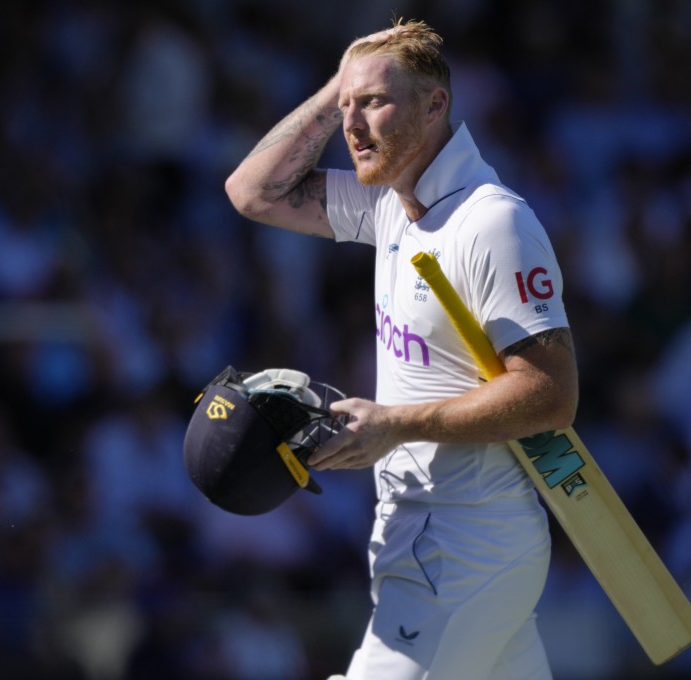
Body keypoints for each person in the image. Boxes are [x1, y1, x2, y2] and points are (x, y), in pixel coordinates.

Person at [225, 19, 577, 680]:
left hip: (467, 545)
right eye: (346, 108)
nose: (353, 124)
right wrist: (343, 84)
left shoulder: (492, 222)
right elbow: (252, 192)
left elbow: (551, 397)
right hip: (418, 532)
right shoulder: (391, 202)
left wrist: (396, 424)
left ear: (434, 104)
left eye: (375, 103)